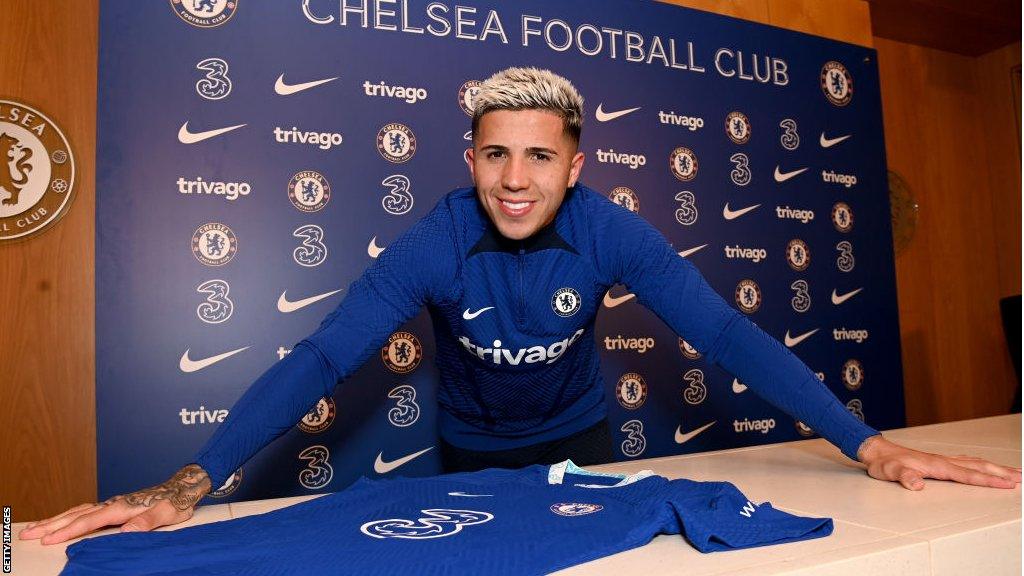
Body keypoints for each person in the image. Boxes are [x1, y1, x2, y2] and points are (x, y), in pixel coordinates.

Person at [21, 67, 1021, 546]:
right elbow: (324, 360)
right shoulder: (434, 240)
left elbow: (720, 331)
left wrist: (865, 443)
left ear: (575, 165)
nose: (513, 177)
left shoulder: (612, 231)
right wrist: (192, 482)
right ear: (469, 161)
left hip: (578, 434)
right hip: (469, 447)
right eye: (494, 152)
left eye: (539, 154)